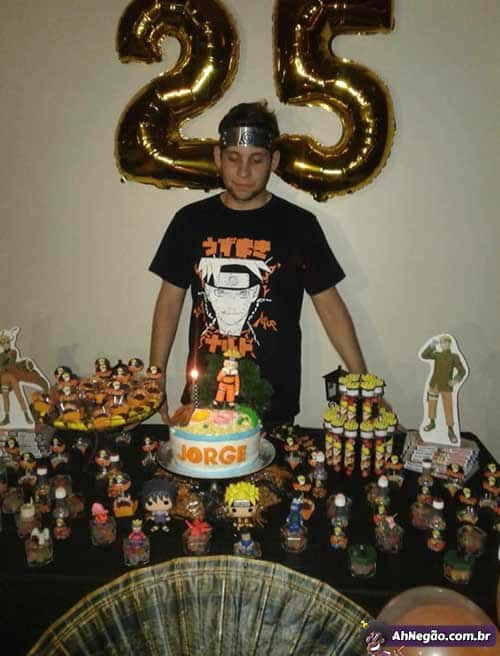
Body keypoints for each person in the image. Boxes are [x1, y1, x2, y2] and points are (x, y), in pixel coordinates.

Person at [149, 101, 367, 426]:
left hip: (273, 406)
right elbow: (169, 303)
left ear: (273, 161)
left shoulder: (299, 225)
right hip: (202, 401)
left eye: (256, 159)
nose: (243, 172)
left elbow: (329, 306)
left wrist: (362, 383)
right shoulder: (189, 222)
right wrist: (155, 379)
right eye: (233, 158)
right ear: (217, 157)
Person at [420, 334, 466, 443]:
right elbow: (424, 355)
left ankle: (450, 429)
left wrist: (455, 380)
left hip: (446, 386)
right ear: (440, 344)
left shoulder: (454, 356)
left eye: (447, 342)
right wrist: (432, 345)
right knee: (432, 404)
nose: (444, 344)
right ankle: (432, 422)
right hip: (434, 384)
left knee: (448, 407)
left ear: (450, 344)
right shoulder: (437, 354)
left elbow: (462, 371)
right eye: (442, 343)